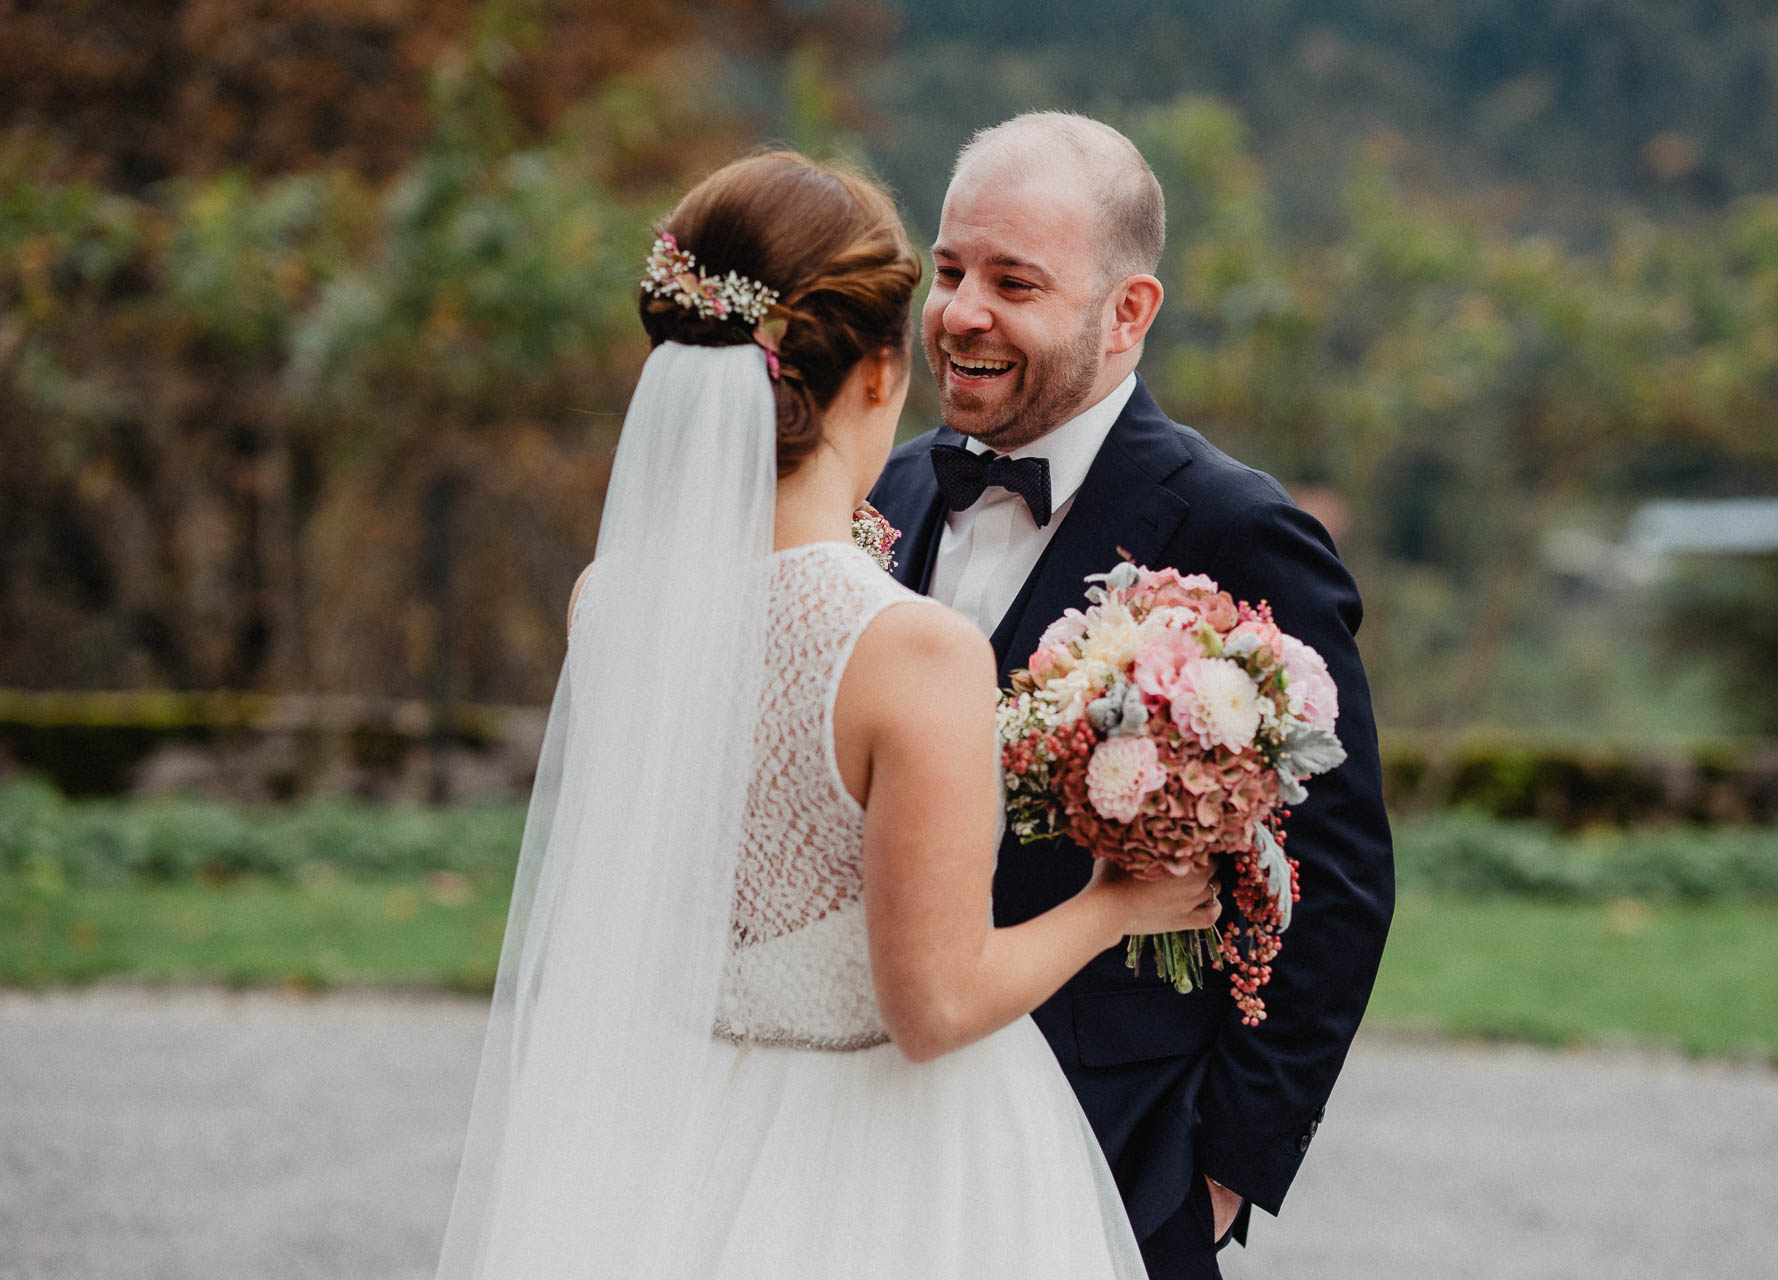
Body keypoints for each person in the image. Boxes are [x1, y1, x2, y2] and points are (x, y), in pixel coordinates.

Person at [433, 151, 1221, 1279]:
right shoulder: (909, 649)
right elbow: (936, 1004)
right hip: (896, 1166)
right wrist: (1118, 904)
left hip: (679, 1129)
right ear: (876, 370)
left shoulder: (607, 602)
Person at [867, 112, 1397, 1280]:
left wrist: (1219, 1169)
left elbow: (1342, 879)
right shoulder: (889, 490)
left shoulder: (1236, 529)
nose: (959, 313)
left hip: (1117, 1150)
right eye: (950, 270)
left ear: (1128, 312)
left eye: (1014, 281)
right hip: (871, 1127)